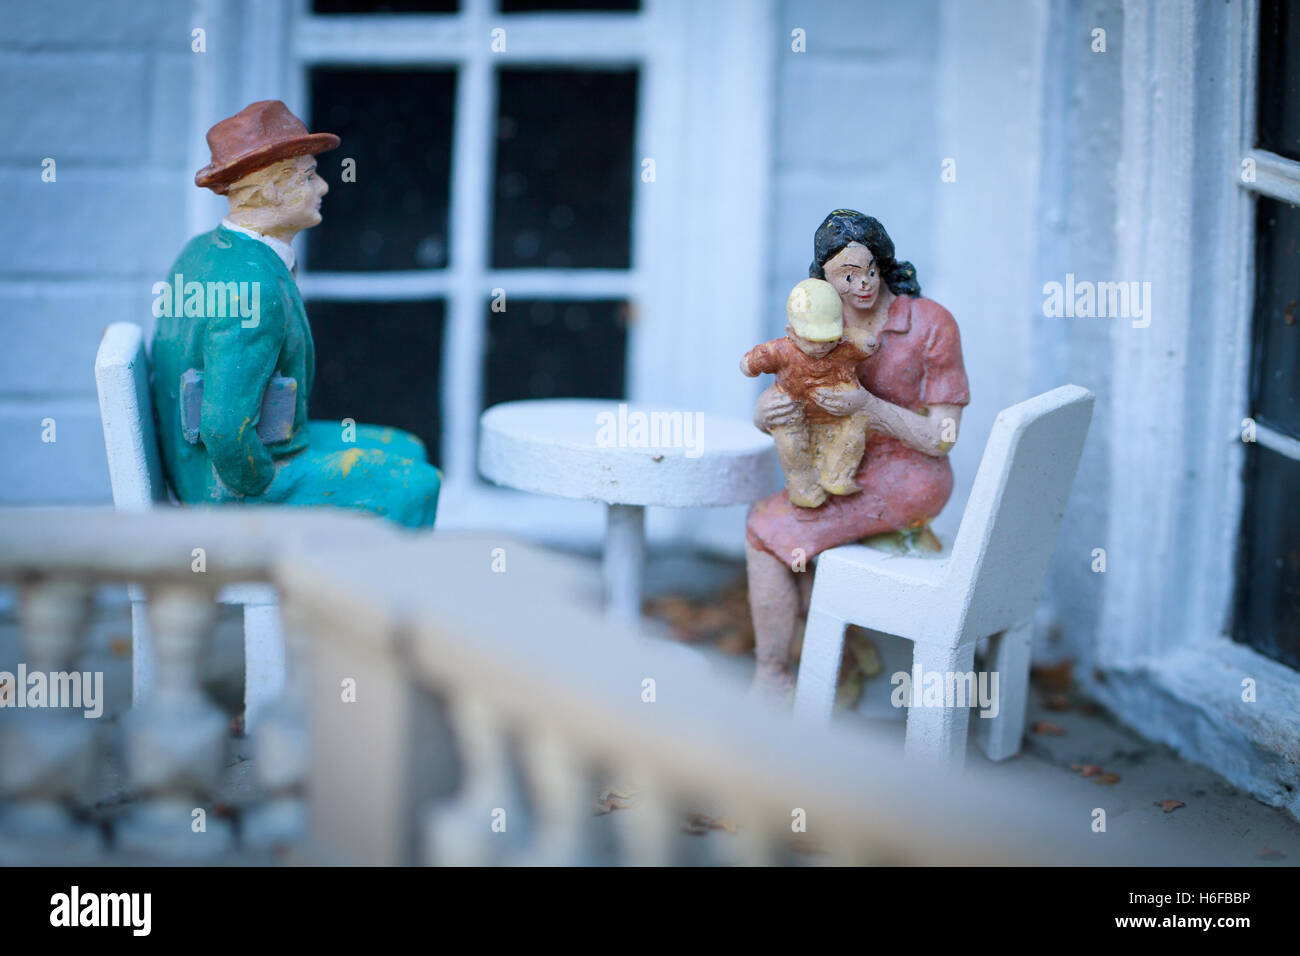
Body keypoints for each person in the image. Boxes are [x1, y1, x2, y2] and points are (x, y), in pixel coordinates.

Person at [151, 100, 441, 528]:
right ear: (269, 189)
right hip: (229, 489)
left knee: (408, 449)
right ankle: (378, 593)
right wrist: (263, 483)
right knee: (418, 484)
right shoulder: (253, 291)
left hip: (201, 463)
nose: (323, 186)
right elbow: (224, 428)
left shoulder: (205, 250)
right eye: (308, 176)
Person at [745, 209, 970, 695]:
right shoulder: (822, 319)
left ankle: (775, 676)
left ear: (884, 263)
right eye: (845, 276)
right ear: (822, 278)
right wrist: (767, 413)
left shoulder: (929, 323)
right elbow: (790, 385)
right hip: (837, 464)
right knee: (795, 538)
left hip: (910, 475)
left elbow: (944, 435)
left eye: (869, 270)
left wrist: (869, 407)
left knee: (767, 530)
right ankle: (837, 657)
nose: (862, 285)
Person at [740, 278, 877, 509]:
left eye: (829, 338)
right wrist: (752, 365)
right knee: (791, 446)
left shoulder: (844, 345)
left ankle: (838, 476)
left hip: (838, 416)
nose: (821, 346)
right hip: (796, 415)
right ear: (791, 333)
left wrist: (860, 339)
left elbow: (869, 344)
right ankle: (802, 489)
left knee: (855, 429)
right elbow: (747, 365)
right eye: (812, 339)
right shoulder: (781, 350)